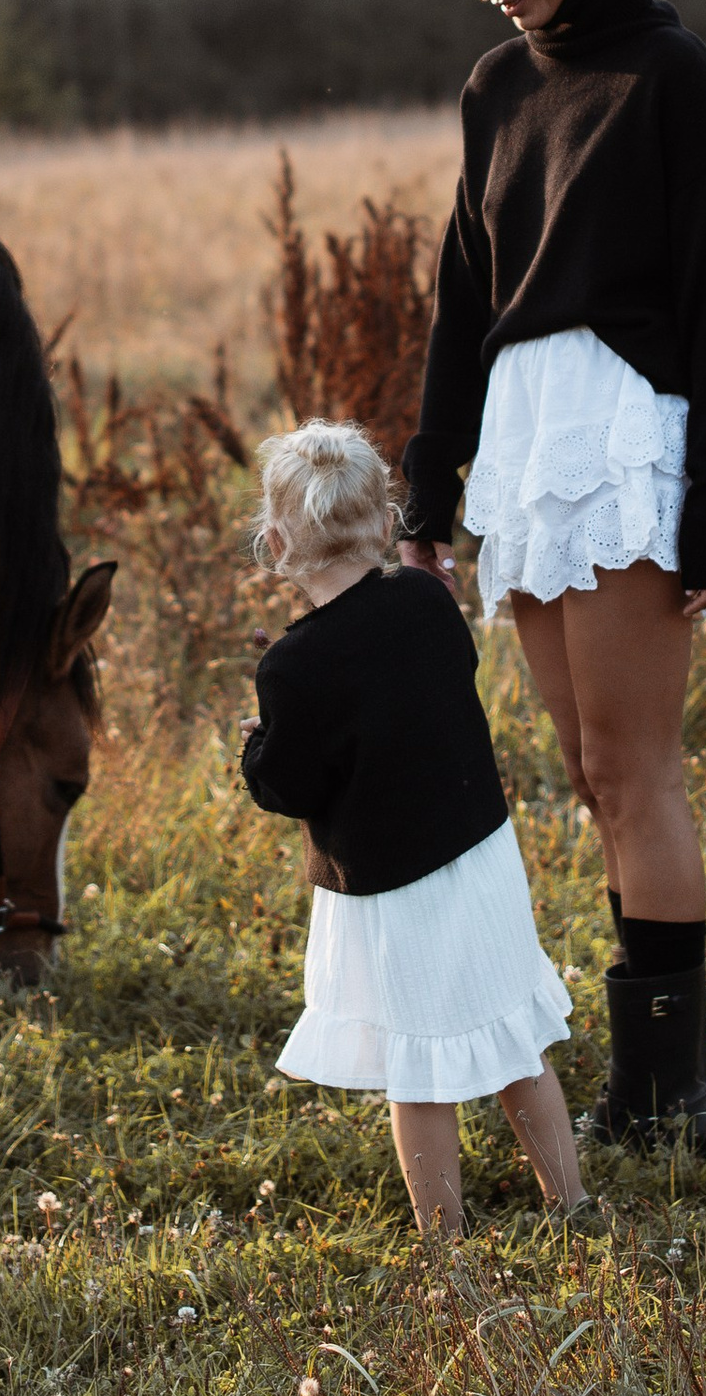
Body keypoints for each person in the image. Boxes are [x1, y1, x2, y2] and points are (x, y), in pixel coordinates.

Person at [398, 0, 706, 1144]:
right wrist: (427, 502)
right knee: (587, 768)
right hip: (523, 436)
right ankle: (648, 1076)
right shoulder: (495, 89)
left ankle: (674, 1087)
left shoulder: (672, 75)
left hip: (623, 441)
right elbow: (460, 299)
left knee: (633, 765)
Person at [241, 417, 589, 1238]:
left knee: (418, 1072)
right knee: (515, 1037)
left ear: (277, 537)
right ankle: (571, 1204)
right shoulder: (429, 602)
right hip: (480, 856)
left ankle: (447, 1245)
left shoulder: (293, 664)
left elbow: (287, 785)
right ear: (383, 517)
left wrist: (258, 746)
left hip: (394, 893)